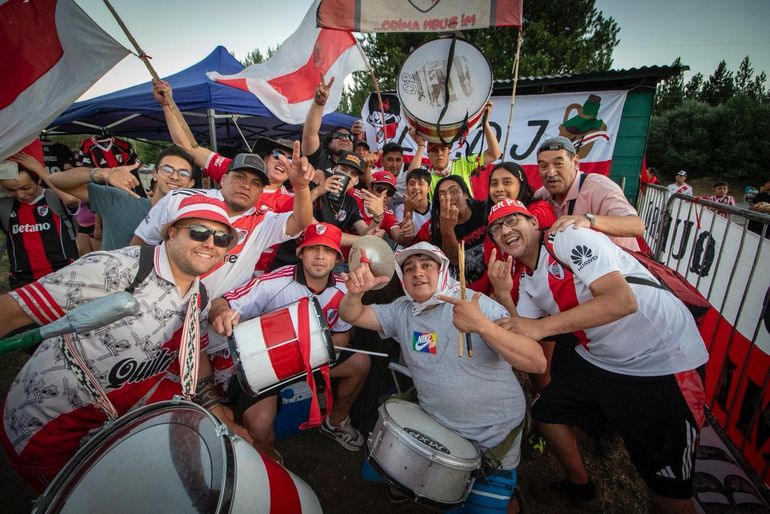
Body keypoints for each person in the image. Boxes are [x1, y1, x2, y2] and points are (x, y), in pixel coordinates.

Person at [0, 195, 253, 491]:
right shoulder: (118, 269)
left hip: (114, 423)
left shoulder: (200, 296)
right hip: (46, 429)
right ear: (172, 232)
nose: (211, 243)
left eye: (222, 239)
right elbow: (10, 311)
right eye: (199, 232)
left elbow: (194, 357)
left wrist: (215, 410)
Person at [487, 199, 708, 514]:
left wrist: (541, 326)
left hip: (663, 361)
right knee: (547, 412)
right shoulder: (529, 281)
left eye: (513, 221)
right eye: (497, 228)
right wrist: (505, 295)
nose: (505, 230)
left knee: (669, 492)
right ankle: (583, 488)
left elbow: (621, 301)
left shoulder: (567, 237)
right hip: (602, 358)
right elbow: (522, 335)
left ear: (534, 223)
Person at [339, 242, 546, 514]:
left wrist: (483, 326)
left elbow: (537, 361)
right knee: (441, 496)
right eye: (409, 268)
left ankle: (510, 500)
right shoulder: (402, 311)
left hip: (494, 438)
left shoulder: (476, 304)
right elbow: (351, 314)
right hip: (441, 430)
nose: (418, 273)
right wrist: (356, 294)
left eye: (426, 265)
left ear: (443, 270)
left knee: (484, 505)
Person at [209, 223, 370, 460]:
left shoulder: (344, 291)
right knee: (259, 426)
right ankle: (270, 468)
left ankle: (336, 422)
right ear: (300, 253)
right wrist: (221, 313)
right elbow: (222, 302)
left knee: (361, 363)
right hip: (268, 365)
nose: (319, 256)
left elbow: (343, 333)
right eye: (313, 248)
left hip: (312, 360)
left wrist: (320, 351)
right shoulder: (273, 282)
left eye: (327, 251)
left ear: (337, 258)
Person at [49, 145, 196, 250]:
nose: (175, 176)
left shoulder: (195, 218)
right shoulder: (121, 201)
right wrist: (103, 173)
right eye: (167, 169)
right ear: (154, 174)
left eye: (183, 173)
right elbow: (57, 180)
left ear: (191, 183)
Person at [533, 136, 645, 251]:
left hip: (621, 265)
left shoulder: (598, 187)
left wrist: (589, 220)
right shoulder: (542, 195)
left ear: (575, 162)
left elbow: (637, 226)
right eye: (543, 166)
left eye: (559, 164)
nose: (551, 173)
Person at [1, 148, 79, 290]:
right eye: (12, 190)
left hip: (63, 274)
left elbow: (71, 200)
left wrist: (39, 169)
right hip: (23, 280)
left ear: (37, 179)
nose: (21, 195)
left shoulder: (54, 197)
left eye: (26, 188)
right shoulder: (5, 206)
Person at [410, 102, 500, 196]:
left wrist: (485, 124)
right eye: (434, 150)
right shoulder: (426, 177)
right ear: (428, 154)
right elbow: (411, 177)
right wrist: (421, 146)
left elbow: (494, 154)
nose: (439, 153)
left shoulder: (463, 164)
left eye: (443, 149)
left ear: (449, 151)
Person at [431, 176, 487, 291]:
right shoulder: (438, 230)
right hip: (469, 287)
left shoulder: (484, 210)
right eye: (442, 195)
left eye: (453, 191)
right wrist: (447, 229)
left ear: (465, 195)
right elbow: (454, 261)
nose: (449, 197)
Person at [393, 167, 433, 247]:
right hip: (406, 251)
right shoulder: (400, 209)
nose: (416, 187)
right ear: (406, 188)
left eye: (421, 184)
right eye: (412, 184)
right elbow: (405, 240)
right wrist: (408, 210)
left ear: (429, 189)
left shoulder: (435, 208)